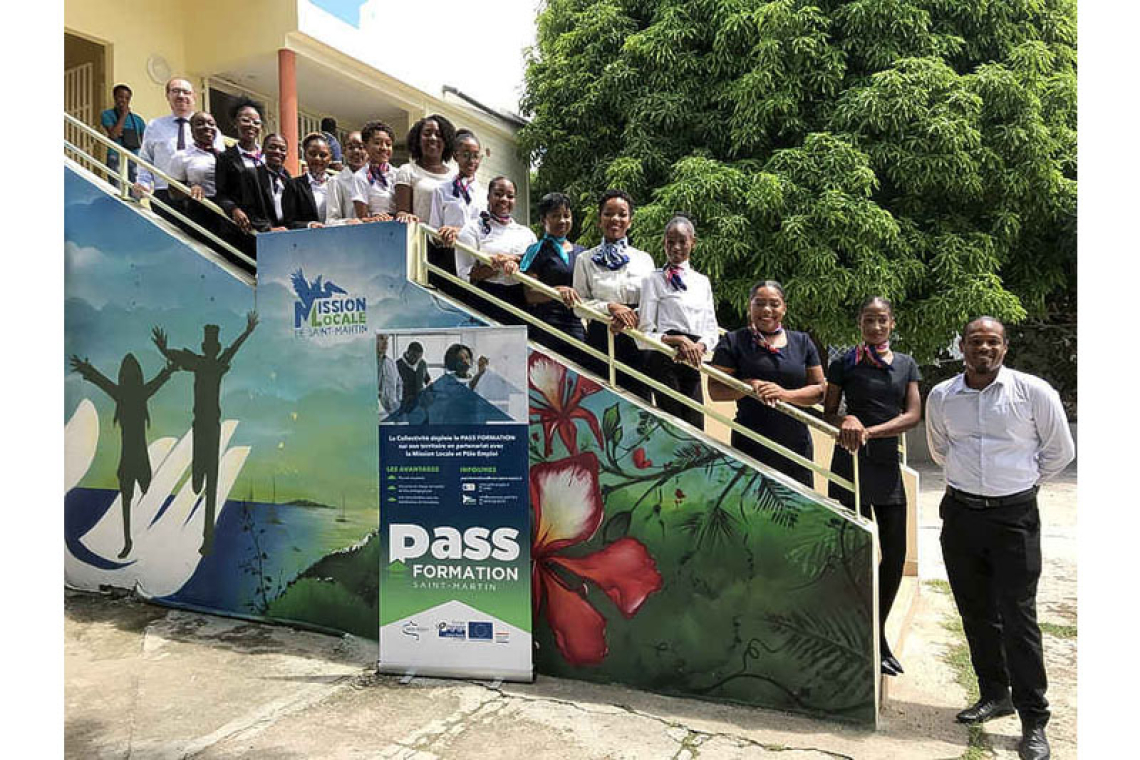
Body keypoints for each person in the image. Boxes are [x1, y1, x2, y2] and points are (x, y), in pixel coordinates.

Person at [926, 316, 1074, 760]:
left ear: (1005, 348)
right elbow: (940, 449)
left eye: (992, 341)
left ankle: (1033, 720)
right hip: (961, 515)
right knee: (975, 610)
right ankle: (995, 693)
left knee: (1018, 618)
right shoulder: (942, 396)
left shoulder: (1033, 393)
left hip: (1014, 519)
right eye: (975, 341)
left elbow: (1060, 452)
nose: (983, 348)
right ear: (962, 347)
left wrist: (1021, 486)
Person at [822, 296, 922, 677]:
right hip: (849, 464)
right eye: (868, 320)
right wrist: (846, 418)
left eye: (882, 320)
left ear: (892, 323)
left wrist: (870, 430)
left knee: (894, 554)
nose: (875, 327)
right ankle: (858, 634)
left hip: (885, 465)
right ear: (860, 323)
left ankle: (876, 631)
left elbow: (912, 415)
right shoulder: (844, 362)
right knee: (854, 552)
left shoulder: (906, 365)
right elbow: (829, 410)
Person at [152, 312, 258, 555]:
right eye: (209, 346)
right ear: (206, 347)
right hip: (202, 426)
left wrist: (247, 332)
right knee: (201, 476)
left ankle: (207, 538)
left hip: (210, 427)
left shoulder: (210, 364)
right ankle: (198, 476)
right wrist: (164, 348)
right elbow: (175, 355)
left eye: (213, 347)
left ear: (212, 348)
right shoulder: (203, 363)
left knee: (211, 481)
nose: (212, 349)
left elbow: (232, 349)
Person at [708, 280, 825, 487]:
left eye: (774, 303)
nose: (767, 310)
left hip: (796, 445)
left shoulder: (802, 342)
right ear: (749, 306)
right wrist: (747, 386)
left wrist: (784, 394)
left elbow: (819, 390)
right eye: (759, 303)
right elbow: (716, 390)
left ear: (784, 308)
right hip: (750, 439)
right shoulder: (734, 341)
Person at [69, 353, 176, 558]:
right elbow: (159, 380)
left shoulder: (124, 394)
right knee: (133, 499)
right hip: (136, 458)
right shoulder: (136, 394)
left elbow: (101, 380)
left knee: (131, 500)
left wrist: (86, 369)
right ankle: (130, 541)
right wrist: (169, 369)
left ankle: (131, 541)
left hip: (131, 458)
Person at [572, 189, 655, 400]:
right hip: (601, 337)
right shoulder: (585, 259)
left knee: (639, 406)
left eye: (622, 214)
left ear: (630, 220)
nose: (615, 219)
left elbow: (653, 302)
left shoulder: (644, 259)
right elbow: (578, 306)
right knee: (600, 401)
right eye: (608, 213)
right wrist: (609, 308)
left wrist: (632, 316)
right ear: (600, 219)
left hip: (636, 338)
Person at [637, 217, 719, 429]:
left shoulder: (702, 282)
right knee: (672, 424)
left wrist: (699, 346)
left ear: (693, 242)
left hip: (692, 359)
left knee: (695, 425)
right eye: (670, 242)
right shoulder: (653, 280)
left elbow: (711, 330)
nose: (676, 247)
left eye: (682, 241)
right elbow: (643, 334)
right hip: (665, 356)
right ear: (664, 243)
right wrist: (676, 340)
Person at [134, 78, 225, 219]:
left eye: (186, 92)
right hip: (164, 192)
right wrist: (143, 182)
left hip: (200, 195)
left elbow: (219, 162)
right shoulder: (155, 126)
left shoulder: (210, 129)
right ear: (168, 96)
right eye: (175, 91)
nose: (181, 95)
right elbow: (146, 158)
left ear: (194, 96)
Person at [519, 192, 588, 365]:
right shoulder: (536, 251)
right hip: (546, 325)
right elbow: (530, 294)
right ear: (543, 220)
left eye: (566, 215)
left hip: (575, 325)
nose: (562, 221)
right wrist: (555, 292)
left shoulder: (582, 253)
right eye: (556, 216)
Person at [455, 177, 536, 326]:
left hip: (518, 299)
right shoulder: (472, 229)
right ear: (488, 196)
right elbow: (464, 273)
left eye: (510, 196)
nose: (504, 199)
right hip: (485, 297)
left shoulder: (526, 234)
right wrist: (496, 266)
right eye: (498, 194)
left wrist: (514, 259)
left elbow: (535, 267)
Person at [428, 129, 486, 293]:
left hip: (476, 258)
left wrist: (461, 232)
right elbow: (433, 232)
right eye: (466, 154)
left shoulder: (485, 194)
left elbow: (486, 229)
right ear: (456, 156)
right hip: (449, 257)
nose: (471, 160)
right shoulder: (441, 190)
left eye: (476, 155)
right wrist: (444, 235)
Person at [214, 98, 268, 256]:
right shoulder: (225, 158)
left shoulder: (268, 157)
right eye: (246, 120)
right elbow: (221, 193)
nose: (251, 125)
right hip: (243, 228)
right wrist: (234, 209)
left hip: (268, 227)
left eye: (256, 122)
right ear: (235, 123)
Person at [166, 111, 224, 243]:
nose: (207, 127)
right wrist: (190, 188)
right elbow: (173, 191)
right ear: (191, 131)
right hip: (201, 211)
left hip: (224, 211)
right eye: (200, 123)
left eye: (211, 124)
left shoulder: (225, 156)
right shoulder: (182, 156)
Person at [394, 114, 457, 224]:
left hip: (450, 238)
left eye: (439, 135)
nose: (433, 138)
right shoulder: (407, 171)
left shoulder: (455, 174)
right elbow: (402, 213)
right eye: (427, 134)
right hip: (421, 238)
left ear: (446, 141)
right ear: (417, 139)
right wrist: (405, 216)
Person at [100, 84, 146, 187]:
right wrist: (124, 114)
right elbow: (114, 135)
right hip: (115, 156)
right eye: (121, 97)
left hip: (134, 156)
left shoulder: (138, 120)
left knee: (135, 190)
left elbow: (144, 142)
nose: (124, 100)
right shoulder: (107, 114)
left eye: (127, 98)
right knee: (117, 187)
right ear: (114, 97)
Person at [351, 120, 397, 222]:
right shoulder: (360, 177)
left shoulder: (399, 174)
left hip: (400, 227)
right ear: (365, 146)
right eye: (377, 143)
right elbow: (362, 218)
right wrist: (375, 219)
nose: (384, 148)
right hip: (375, 229)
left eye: (388, 144)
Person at [286, 133, 332, 228]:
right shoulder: (293, 185)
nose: (317, 158)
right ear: (305, 156)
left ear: (330, 157)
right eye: (312, 154)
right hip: (306, 240)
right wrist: (309, 225)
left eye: (323, 155)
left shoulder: (337, 183)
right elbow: (289, 222)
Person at [325, 131, 366, 225]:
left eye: (361, 147)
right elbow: (330, 221)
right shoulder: (336, 181)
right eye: (351, 148)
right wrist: (349, 222)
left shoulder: (376, 178)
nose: (356, 151)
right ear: (343, 151)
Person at [255, 134, 292, 232]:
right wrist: (268, 229)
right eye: (272, 147)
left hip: (285, 235)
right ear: (263, 150)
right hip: (261, 235)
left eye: (282, 149)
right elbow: (249, 208)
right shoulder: (252, 174)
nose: (277, 152)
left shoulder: (288, 179)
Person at [396, 342, 431, 414]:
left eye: (419, 357)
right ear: (408, 353)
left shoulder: (422, 363)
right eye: (415, 357)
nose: (417, 360)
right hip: (402, 405)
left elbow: (427, 379)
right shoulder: (397, 365)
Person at [377, 333, 402, 418]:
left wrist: (398, 401)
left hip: (393, 411)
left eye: (387, 339)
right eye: (381, 338)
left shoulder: (391, 363)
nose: (385, 343)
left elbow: (399, 384)